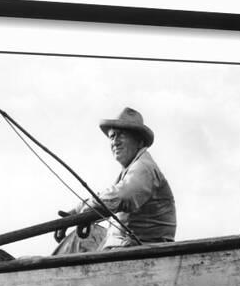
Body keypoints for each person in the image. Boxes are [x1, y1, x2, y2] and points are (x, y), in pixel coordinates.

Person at [53, 107, 176, 254]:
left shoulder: (144, 167)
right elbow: (106, 195)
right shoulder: (130, 169)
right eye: (112, 136)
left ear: (139, 141)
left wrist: (86, 210)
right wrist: (76, 211)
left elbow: (122, 195)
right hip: (126, 246)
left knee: (72, 246)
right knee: (81, 239)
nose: (115, 142)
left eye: (121, 135)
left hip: (143, 251)